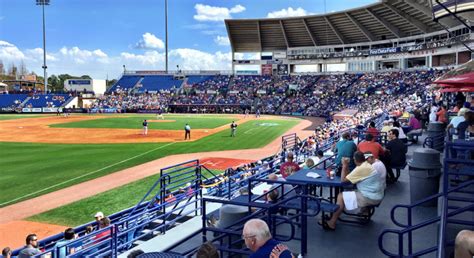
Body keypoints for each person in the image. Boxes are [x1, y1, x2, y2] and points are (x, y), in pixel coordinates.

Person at [321, 152, 384, 230]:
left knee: (340, 196)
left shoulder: (361, 168)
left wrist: (344, 164)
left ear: (355, 159)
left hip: (371, 197)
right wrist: (346, 165)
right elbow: (349, 176)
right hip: (375, 194)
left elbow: (343, 181)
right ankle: (335, 214)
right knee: (344, 194)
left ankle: (332, 223)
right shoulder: (365, 165)